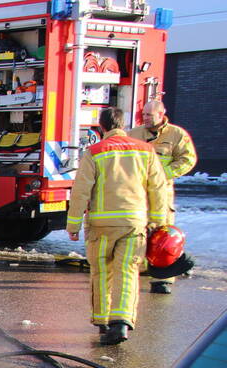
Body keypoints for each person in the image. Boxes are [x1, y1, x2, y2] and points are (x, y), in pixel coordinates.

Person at [66, 107, 167, 345]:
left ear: (101, 127)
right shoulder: (146, 151)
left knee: (101, 272)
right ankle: (121, 322)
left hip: (102, 225)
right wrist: (159, 222)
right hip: (134, 224)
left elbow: (81, 191)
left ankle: (101, 320)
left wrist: (73, 224)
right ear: (124, 124)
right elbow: (158, 188)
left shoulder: (95, 152)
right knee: (127, 271)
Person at [127, 99, 197, 294]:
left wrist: (163, 173)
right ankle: (140, 271)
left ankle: (162, 280)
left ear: (161, 114)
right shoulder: (134, 134)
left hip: (162, 196)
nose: (145, 118)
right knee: (139, 236)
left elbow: (188, 159)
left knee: (163, 238)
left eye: (149, 114)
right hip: (139, 195)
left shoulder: (176, 135)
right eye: (144, 114)